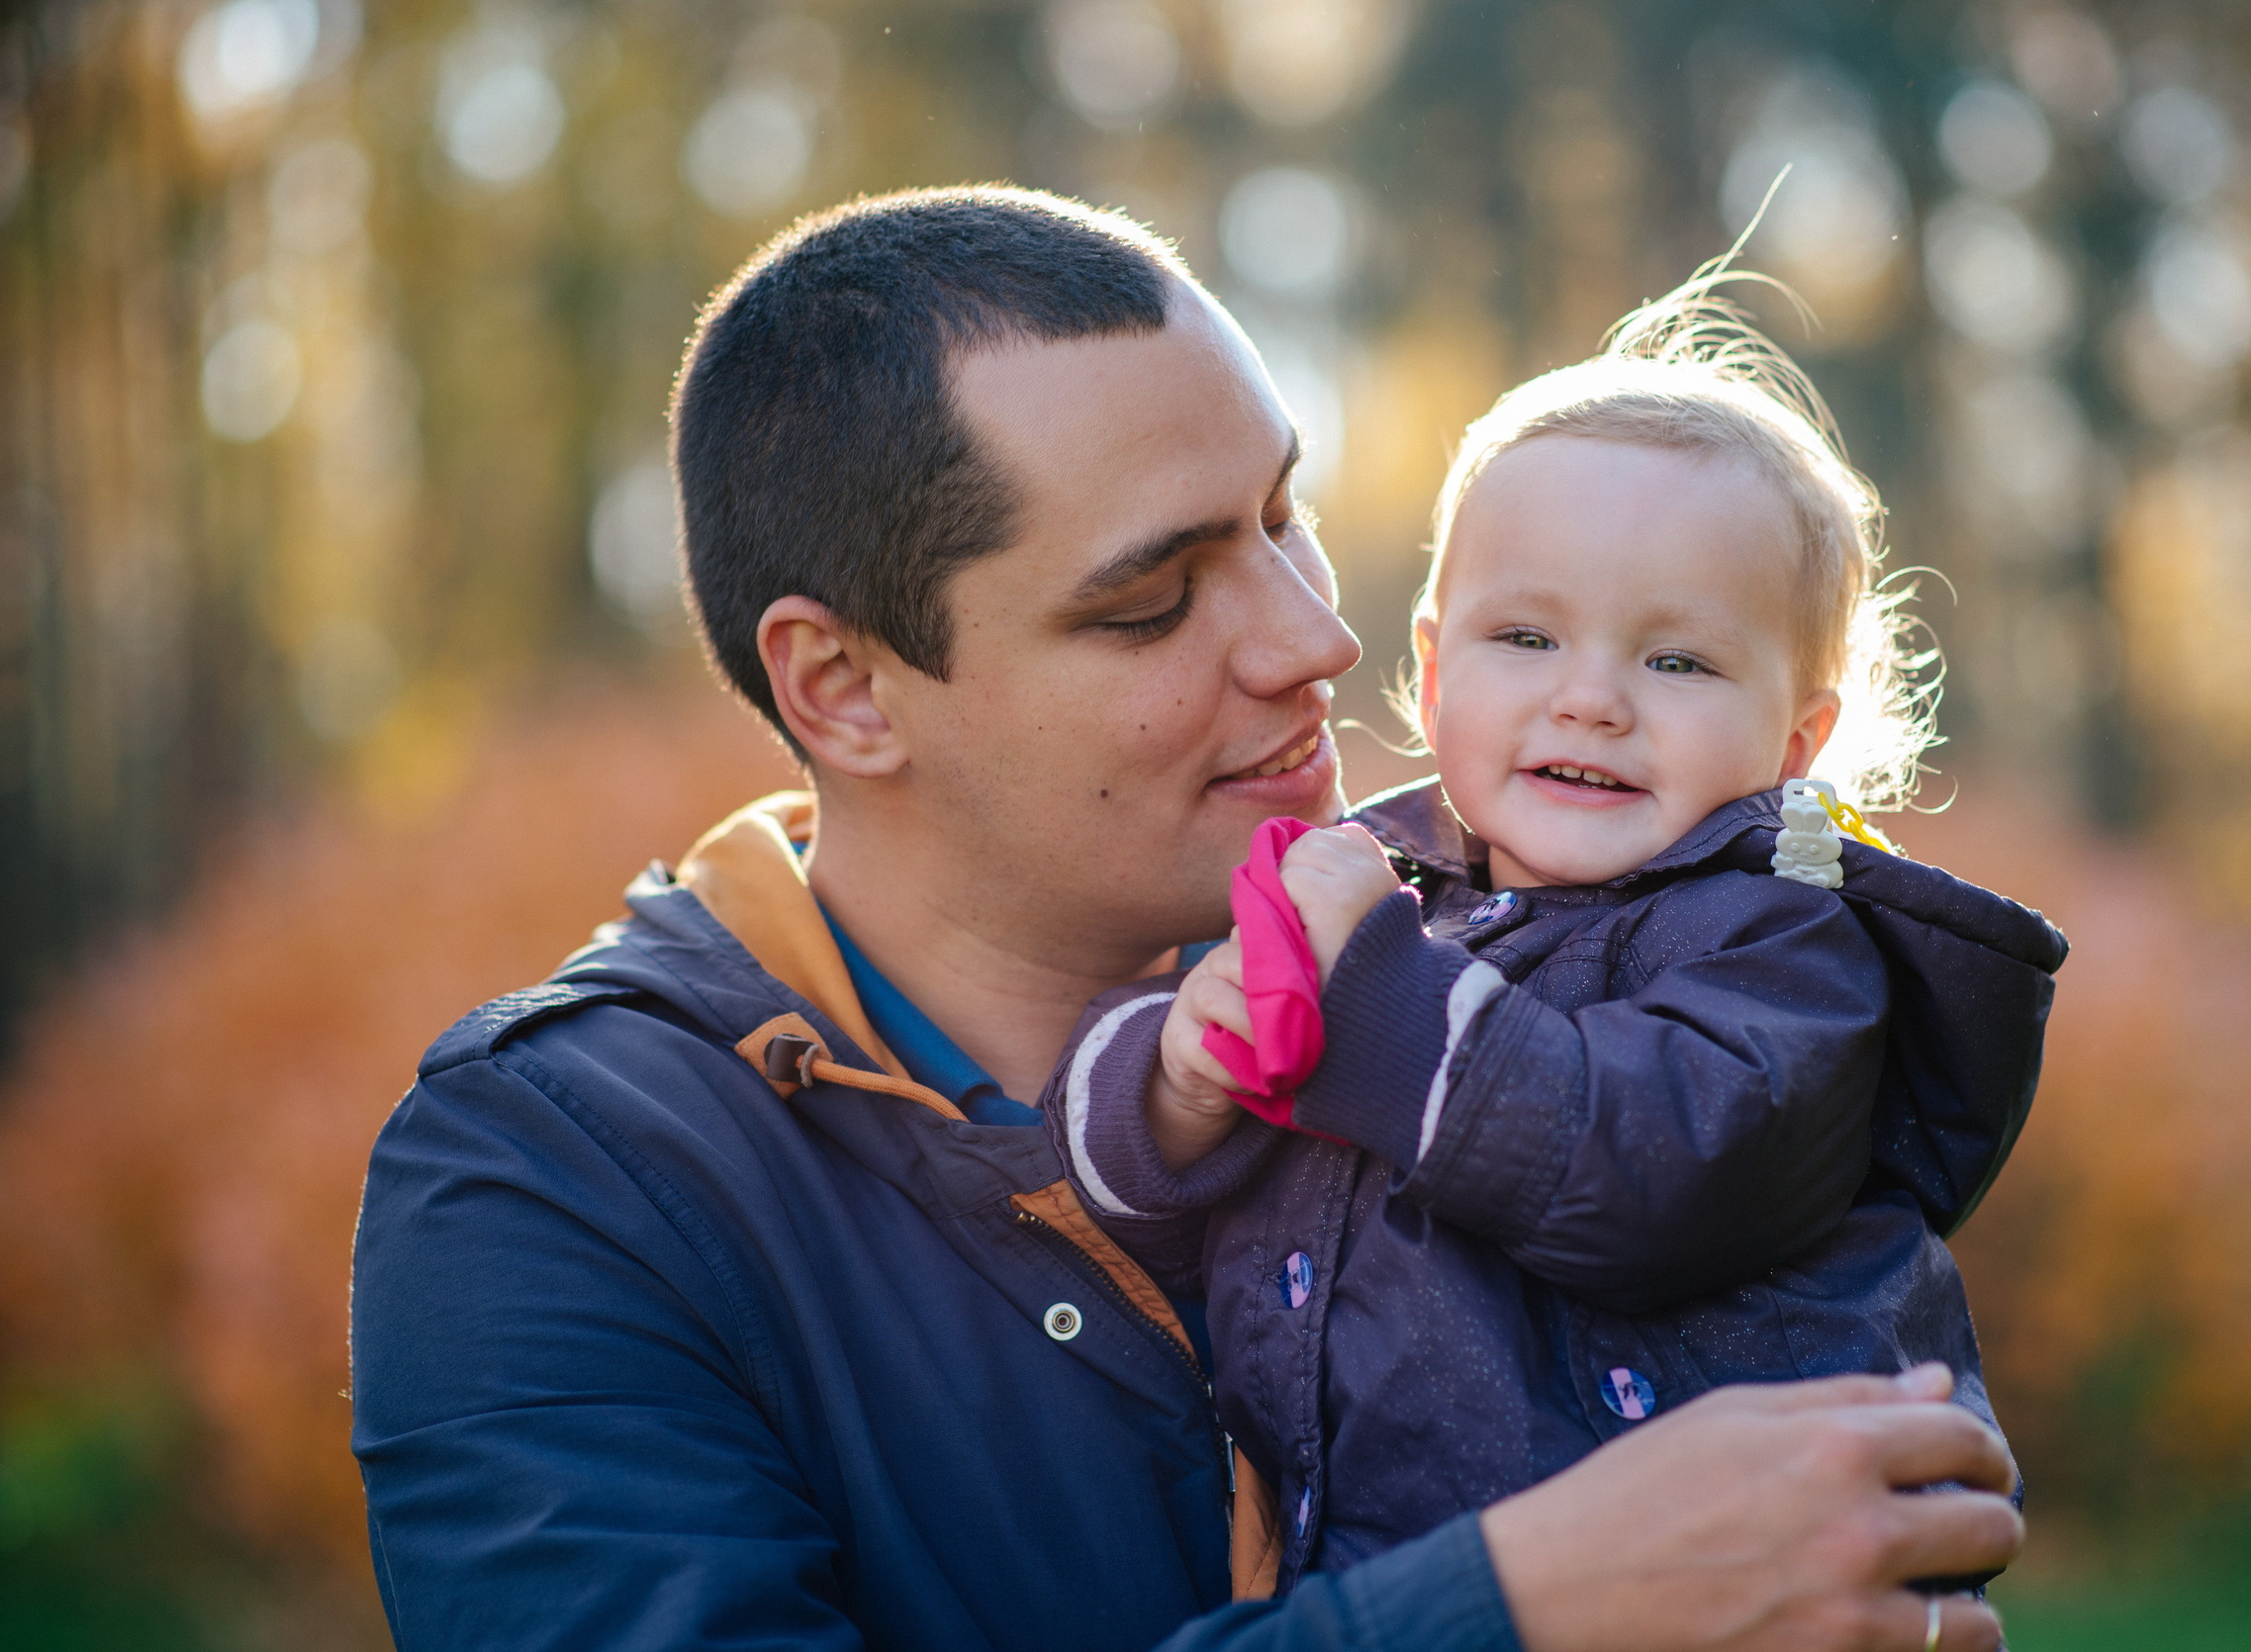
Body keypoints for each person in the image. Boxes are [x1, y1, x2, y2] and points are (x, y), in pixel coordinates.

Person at [348, 187, 2022, 1652]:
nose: (1314, 641)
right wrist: (1517, 1608)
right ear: (845, 688)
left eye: (1287, 518)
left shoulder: (1484, 950)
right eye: (1154, 601)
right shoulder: (554, 1181)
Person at [1047, 271, 2067, 1597]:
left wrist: (1369, 994)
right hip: (1405, 1591)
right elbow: (1126, 1208)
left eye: (1678, 661)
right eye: (1526, 635)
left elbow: (1644, 1165)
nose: (1590, 699)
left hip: (1730, 1602)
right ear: (1430, 664)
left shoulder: (1787, 950)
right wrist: (1177, 1082)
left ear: (1797, 737)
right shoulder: (1387, 897)